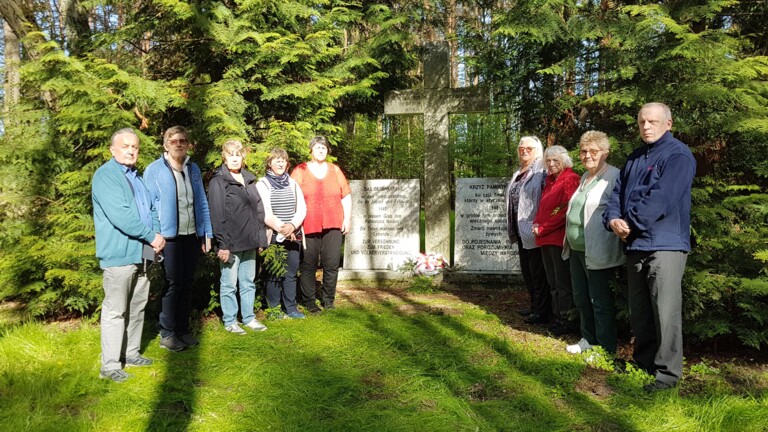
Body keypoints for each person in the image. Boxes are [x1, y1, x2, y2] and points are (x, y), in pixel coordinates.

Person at [603, 102, 696, 392]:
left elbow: (662, 198)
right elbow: (615, 194)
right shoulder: (635, 157)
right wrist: (612, 220)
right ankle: (644, 364)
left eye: (653, 121)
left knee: (665, 312)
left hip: (665, 245)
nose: (646, 126)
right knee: (640, 311)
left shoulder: (678, 155)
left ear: (668, 124)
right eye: (642, 121)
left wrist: (628, 223)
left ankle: (667, 375)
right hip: (635, 244)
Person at [92, 128, 165, 382]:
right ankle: (110, 365)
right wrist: (151, 236)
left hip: (143, 252)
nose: (131, 151)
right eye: (125, 146)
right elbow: (122, 216)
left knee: (137, 306)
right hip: (119, 253)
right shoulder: (106, 176)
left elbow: (151, 209)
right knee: (115, 310)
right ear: (113, 150)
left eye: (134, 147)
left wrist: (156, 236)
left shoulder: (137, 177)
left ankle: (131, 353)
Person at [144, 126, 213, 352]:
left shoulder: (193, 169)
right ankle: (167, 332)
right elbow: (149, 207)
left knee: (186, 283)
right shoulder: (154, 170)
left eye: (183, 140)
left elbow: (201, 202)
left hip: (191, 236)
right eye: (174, 141)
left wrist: (206, 233)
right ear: (166, 144)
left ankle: (183, 330)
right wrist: (156, 234)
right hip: (168, 238)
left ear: (188, 144)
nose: (179, 144)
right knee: (173, 284)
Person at [563, 131, 625, 355]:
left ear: (605, 153)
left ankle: (605, 348)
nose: (587, 155)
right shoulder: (584, 177)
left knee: (599, 300)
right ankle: (588, 339)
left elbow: (616, 210)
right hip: (577, 250)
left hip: (598, 250)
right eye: (583, 151)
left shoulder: (613, 176)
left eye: (593, 151)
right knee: (581, 297)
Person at [208, 139, 269, 335]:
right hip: (230, 244)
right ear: (224, 157)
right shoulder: (219, 181)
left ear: (243, 157)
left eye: (238, 155)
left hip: (249, 241)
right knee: (228, 284)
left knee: (248, 282)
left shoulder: (250, 180)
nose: (235, 159)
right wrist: (222, 245)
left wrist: (260, 238)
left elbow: (258, 211)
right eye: (231, 155)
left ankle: (249, 318)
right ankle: (230, 320)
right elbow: (217, 215)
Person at [291, 136, 351, 313]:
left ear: (328, 151)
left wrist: (347, 218)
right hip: (308, 224)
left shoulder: (335, 170)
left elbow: (346, 195)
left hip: (333, 223)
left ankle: (328, 301)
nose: (321, 150)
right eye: (317, 147)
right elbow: (292, 195)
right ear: (311, 150)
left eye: (324, 148)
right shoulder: (300, 170)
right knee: (308, 265)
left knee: (331, 264)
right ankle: (310, 302)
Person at [533, 145, 580, 336]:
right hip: (545, 238)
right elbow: (544, 207)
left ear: (564, 160)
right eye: (548, 161)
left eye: (555, 160)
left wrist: (543, 227)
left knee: (562, 283)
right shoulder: (550, 181)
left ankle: (567, 321)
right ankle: (556, 317)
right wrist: (537, 222)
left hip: (557, 238)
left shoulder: (570, 179)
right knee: (552, 281)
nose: (551, 164)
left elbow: (564, 210)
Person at [256, 148, 307, 319]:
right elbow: (264, 212)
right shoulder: (262, 184)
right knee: (274, 273)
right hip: (274, 235)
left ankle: (291, 308)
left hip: (293, 235)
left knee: (291, 273)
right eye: (276, 160)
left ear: (287, 164)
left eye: (283, 160)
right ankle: (274, 309)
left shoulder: (293, 183)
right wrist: (282, 228)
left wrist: (292, 226)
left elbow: (302, 209)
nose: (280, 162)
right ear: (270, 163)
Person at [505, 136, 550, 325]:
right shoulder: (519, 171)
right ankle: (534, 305)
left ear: (537, 150)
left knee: (537, 271)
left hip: (534, 227)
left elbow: (546, 198)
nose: (524, 151)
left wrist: (540, 222)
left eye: (529, 148)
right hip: (519, 228)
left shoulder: (542, 170)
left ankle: (542, 311)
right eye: (521, 148)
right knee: (527, 270)